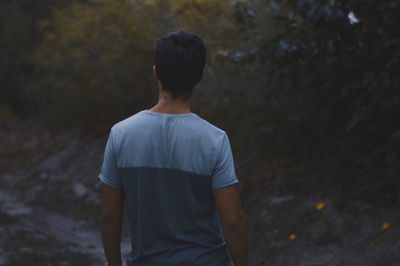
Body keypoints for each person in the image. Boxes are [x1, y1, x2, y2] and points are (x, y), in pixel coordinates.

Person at [99, 30, 248, 266]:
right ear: (200, 75)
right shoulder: (215, 140)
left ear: (156, 71)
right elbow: (232, 220)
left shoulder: (121, 134)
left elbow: (109, 215)